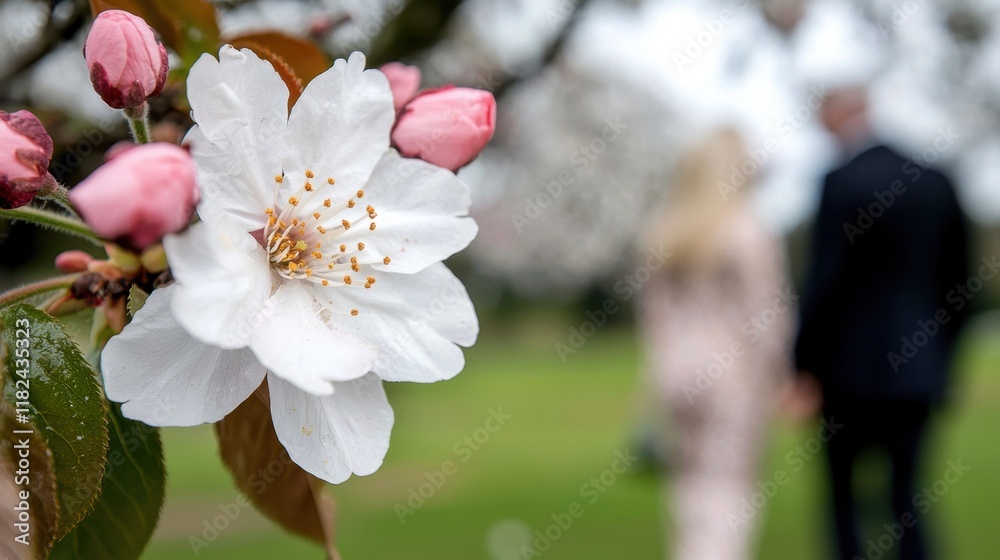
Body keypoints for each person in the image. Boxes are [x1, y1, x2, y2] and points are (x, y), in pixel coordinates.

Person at [792, 86, 970, 560]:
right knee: (908, 497)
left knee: (842, 498)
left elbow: (824, 283)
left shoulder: (840, 181)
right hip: (918, 372)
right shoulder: (936, 179)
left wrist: (801, 365)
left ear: (837, 116)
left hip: (846, 372)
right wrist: (944, 361)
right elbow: (960, 287)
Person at [639, 127, 795, 560]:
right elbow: (765, 317)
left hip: (674, 369)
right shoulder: (746, 230)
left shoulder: (664, 230)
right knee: (728, 493)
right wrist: (780, 374)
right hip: (731, 375)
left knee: (688, 492)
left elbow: (655, 319)